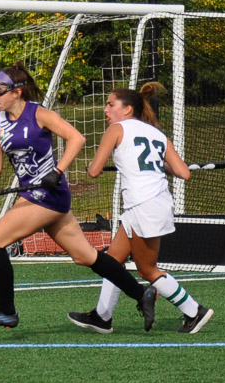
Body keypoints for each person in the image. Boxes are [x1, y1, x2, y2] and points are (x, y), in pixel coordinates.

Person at [0, 67, 155, 329]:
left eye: (0, 92)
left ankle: (6, 311)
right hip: (31, 193)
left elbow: (77, 138)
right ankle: (141, 293)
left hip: (47, 194)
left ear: (16, 92)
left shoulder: (39, 114)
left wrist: (57, 171)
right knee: (85, 256)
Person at [66, 82, 213, 335]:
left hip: (143, 203)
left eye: (111, 104)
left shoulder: (117, 129)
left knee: (147, 269)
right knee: (112, 261)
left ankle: (194, 311)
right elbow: (183, 172)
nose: (106, 110)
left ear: (127, 109)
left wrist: (101, 162)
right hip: (152, 202)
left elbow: (93, 171)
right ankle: (102, 317)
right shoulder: (157, 133)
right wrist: (157, 165)